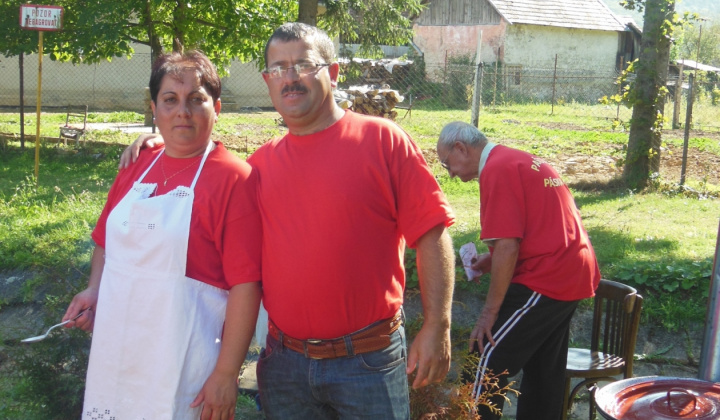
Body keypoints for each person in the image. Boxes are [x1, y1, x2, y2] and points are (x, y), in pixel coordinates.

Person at [121, 22, 456, 420]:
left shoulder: (383, 141)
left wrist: (438, 324)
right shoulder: (259, 167)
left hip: (367, 362)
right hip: (285, 365)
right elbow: (205, 172)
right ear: (267, 81)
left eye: (303, 65)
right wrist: (161, 146)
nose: (290, 77)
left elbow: (433, 233)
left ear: (331, 73)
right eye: (278, 68)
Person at [63, 50, 262, 420]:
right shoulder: (136, 165)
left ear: (216, 107)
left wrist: (226, 373)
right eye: (170, 100)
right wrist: (94, 289)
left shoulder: (234, 178)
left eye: (196, 99)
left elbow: (246, 285)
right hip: (118, 348)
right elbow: (107, 240)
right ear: (153, 108)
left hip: (184, 358)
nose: (182, 112)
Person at [436, 121, 600, 420]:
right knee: (543, 373)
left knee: (483, 362)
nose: (450, 173)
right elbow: (530, 231)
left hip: (548, 276)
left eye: (447, 163)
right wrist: (492, 259)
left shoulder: (497, 169)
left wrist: (489, 313)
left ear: (461, 147)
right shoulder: (516, 159)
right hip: (573, 270)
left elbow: (509, 246)